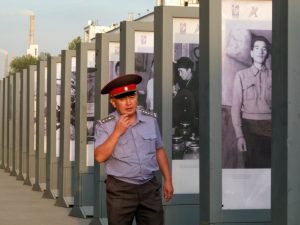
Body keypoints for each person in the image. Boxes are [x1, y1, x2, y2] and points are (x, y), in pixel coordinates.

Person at [94, 74, 174, 225]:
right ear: (113, 102)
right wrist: (117, 132)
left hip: (149, 188)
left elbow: (159, 150)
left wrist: (168, 180)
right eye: (122, 99)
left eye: (131, 96)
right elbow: (99, 157)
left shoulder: (150, 120)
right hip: (120, 190)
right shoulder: (105, 125)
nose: (129, 103)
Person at [231, 35, 272, 168]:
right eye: (257, 48)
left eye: (264, 49)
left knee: (269, 171)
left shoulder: (274, 76)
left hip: (271, 128)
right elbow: (235, 108)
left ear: (267, 53)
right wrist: (239, 136)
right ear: (252, 53)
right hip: (249, 129)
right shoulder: (241, 76)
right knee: (252, 169)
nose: (260, 52)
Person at [173, 57, 198, 133]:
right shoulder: (183, 81)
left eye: (181, 71)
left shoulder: (196, 84)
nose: (180, 74)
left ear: (189, 70)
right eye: (178, 71)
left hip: (193, 125)